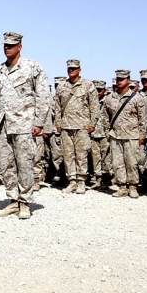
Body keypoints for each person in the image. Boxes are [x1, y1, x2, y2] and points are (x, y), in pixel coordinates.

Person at [0, 32, 49, 219]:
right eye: (5, 45)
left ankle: (25, 202)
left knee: (24, 164)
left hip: (24, 124)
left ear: (20, 47)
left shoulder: (32, 68)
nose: (7, 48)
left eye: (11, 45)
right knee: (6, 165)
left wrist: (39, 122)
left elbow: (43, 96)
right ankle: (13, 201)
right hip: (4, 125)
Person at [54, 59, 100, 194]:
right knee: (68, 155)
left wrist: (92, 123)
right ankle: (72, 181)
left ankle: (81, 181)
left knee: (81, 154)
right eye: (69, 68)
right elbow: (57, 107)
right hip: (66, 126)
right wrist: (58, 124)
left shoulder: (87, 85)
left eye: (74, 68)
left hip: (82, 126)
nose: (71, 70)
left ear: (79, 69)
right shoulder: (62, 86)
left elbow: (94, 106)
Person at [101, 70, 147, 198]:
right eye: (118, 79)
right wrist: (107, 133)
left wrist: (142, 136)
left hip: (132, 135)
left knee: (131, 162)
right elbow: (105, 117)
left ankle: (132, 186)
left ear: (128, 80)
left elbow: (143, 118)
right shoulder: (110, 98)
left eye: (122, 79)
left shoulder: (137, 98)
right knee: (117, 163)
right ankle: (122, 186)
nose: (119, 81)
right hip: (115, 135)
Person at [90, 80, 111, 190]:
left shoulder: (108, 102)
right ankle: (98, 179)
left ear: (104, 90)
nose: (97, 92)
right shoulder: (90, 102)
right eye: (95, 90)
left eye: (100, 90)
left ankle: (106, 180)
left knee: (106, 158)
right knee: (95, 158)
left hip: (105, 134)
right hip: (93, 134)